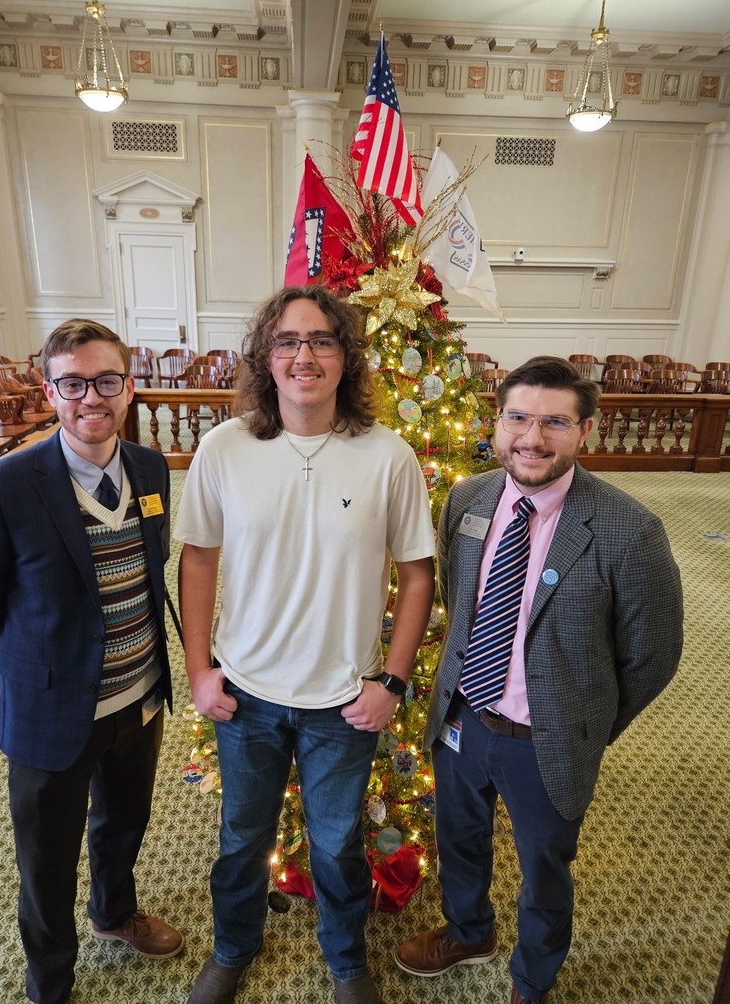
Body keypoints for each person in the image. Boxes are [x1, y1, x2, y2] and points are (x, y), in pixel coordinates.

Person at [174, 285, 436, 1004]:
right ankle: (232, 948)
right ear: (266, 357)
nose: (304, 355)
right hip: (246, 695)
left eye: (321, 340)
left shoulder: (388, 456)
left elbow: (417, 575)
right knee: (240, 839)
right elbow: (197, 558)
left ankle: (346, 960)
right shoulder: (225, 449)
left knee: (336, 844)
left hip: (344, 700)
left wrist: (392, 680)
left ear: (346, 358)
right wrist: (200, 670)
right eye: (287, 341)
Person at [394, 356, 683, 1004]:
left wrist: (586, 721)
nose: (532, 436)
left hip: (545, 741)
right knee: (458, 841)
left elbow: (653, 656)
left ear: (586, 431)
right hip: (464, 720)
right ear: (497, 424)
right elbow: (456, 594)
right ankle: (469, 931)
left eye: (555, 421)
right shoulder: (469, 500)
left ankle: (533, 977)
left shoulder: (629, 531)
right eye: (519, 417)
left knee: (543, 870)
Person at [0, 320, 183, 1004]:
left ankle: (114, 915)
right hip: (50, 714)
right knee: (47, 861)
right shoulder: (0, 487)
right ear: (50, 389)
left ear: (129, 387)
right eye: (73, 383)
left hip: (138, 695)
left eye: (107, 381)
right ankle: (49, 981)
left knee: (122, 824)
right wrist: (36, 678)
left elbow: (150, 572)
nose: (93, 397)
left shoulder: (150, 469)